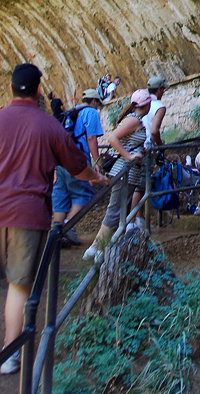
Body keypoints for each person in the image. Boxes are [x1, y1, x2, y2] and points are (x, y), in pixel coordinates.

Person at [0, 63, 105, 374]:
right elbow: (76, 165)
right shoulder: (48, 125)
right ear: (39, 90)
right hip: (28, 214)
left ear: (12, 88)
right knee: (19, 284)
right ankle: (9, 354)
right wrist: (94, 177)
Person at [83, 90, 152, 263]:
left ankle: (98, 248)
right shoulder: (133, 120)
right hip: (123, 172)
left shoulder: (134, 120)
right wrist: (129, 157)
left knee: (119, 210)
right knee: (115, 211)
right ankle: (97, 249)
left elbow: (127, 142)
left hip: (128, 173)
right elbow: (113, 138)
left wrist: (138, 151)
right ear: (146, 104)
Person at [51, 88, 105, 247]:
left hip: (60, 161)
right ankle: (68, 228)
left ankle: (56, 234)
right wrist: (97, 162)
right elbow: (91, 138)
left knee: (62, 196)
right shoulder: (91, 113)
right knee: (84, 194)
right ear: (94, 101)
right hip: (77, 160)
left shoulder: (70, 113)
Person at [145, 76, 168, 148]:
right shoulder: (160, 107)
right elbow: (154, 131)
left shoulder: (142, 103)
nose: (163, 92)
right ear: (159, 89)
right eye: (163, 89)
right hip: (148, 145)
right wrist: (160, 145)